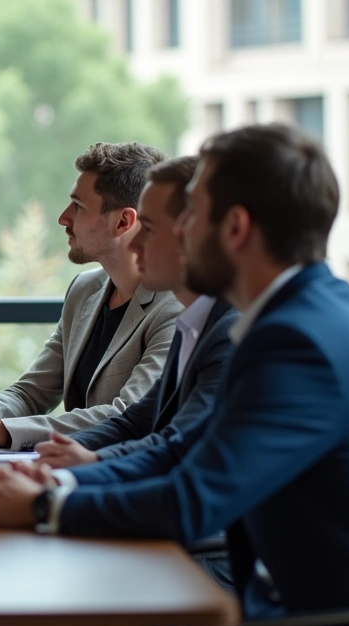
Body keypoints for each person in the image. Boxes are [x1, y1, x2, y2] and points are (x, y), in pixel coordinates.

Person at [0, 124, 349, 626]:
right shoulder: (289, 316)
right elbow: (177, 445)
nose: (172, 233)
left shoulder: (292, 342)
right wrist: (55, 480)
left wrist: (41, 505)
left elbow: (192, 498)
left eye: (190, 214)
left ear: (234, 228)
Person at [0, 142, 182, 451]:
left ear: (123, 222)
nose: (63, 218)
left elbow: (126, 416)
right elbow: (32, 392)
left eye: (78, 206)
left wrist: (2, 432)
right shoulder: (84, 290)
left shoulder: (174, 307)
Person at [33, 155, 238, 469]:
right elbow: (137, 424)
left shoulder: (225, 330)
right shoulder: (198, 321)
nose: (136, 243)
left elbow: (180, 458)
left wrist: (56, 494)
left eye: (151, 228)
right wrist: (59, 458)